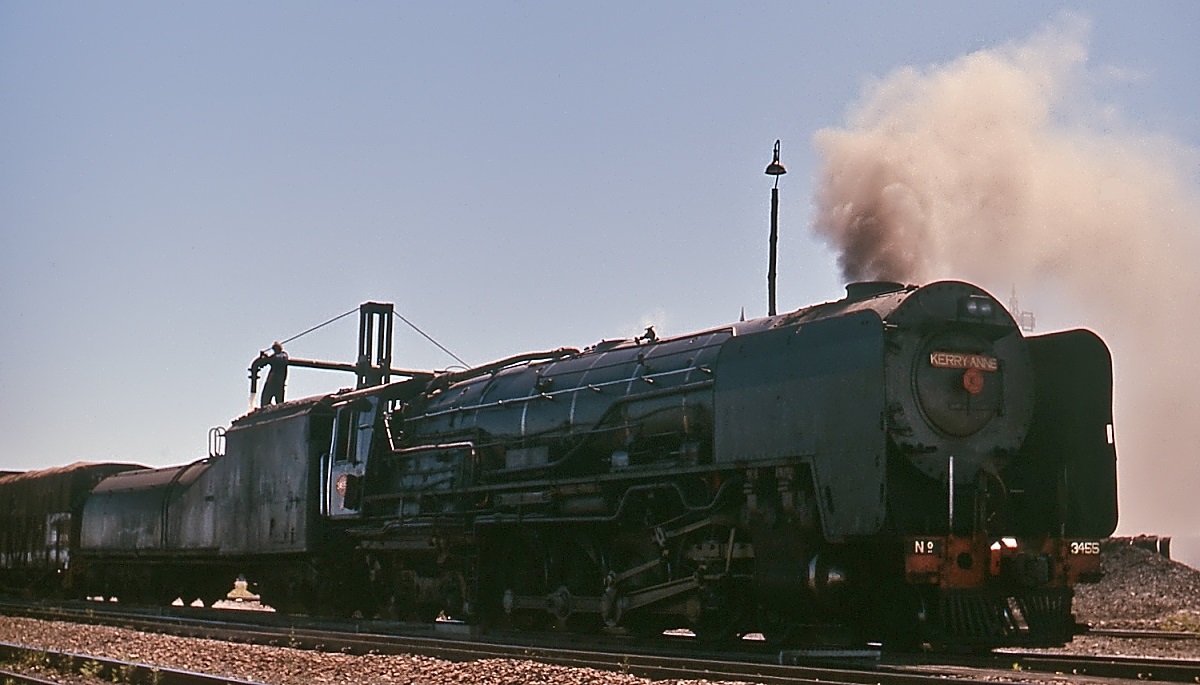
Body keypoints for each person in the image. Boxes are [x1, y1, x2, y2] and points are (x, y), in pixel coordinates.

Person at [251, 342, 289, 407]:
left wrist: (267, 358)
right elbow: (269, 361)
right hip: (276, 383)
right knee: (265, 402)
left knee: (279, 404)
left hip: (276, 383)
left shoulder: (283, 355)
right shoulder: (275, 357)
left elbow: (276, 359)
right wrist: (264, 358)